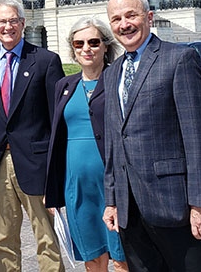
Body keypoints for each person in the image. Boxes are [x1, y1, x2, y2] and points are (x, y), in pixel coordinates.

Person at [101, 0, 201, 271]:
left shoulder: (179, 59)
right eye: (116, 19)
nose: (124, 24)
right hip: (130, 210)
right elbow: (114, 143)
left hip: (175, 206)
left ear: (149, 17)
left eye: (131, 15)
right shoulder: (112, 72)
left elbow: (200, 138)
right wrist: (112, 200)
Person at [0, 0, 65, 272]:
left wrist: (56, 169)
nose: (7, 27)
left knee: (46, 238)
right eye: (2, 22)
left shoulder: (46, 61)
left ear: (23, 24)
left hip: (37, 164)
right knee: (2, 239)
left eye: (13, 21)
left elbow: (56, 119)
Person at [44, 16, 127, 271]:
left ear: (105, 46)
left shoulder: (119, 80)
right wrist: (54, 188)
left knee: (122, 258)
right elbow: (56, 138)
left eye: (93, 42)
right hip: (78, 187)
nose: (86, 49)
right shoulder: (64, 85)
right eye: (78, 44)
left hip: (114, 184)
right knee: (92, 258)